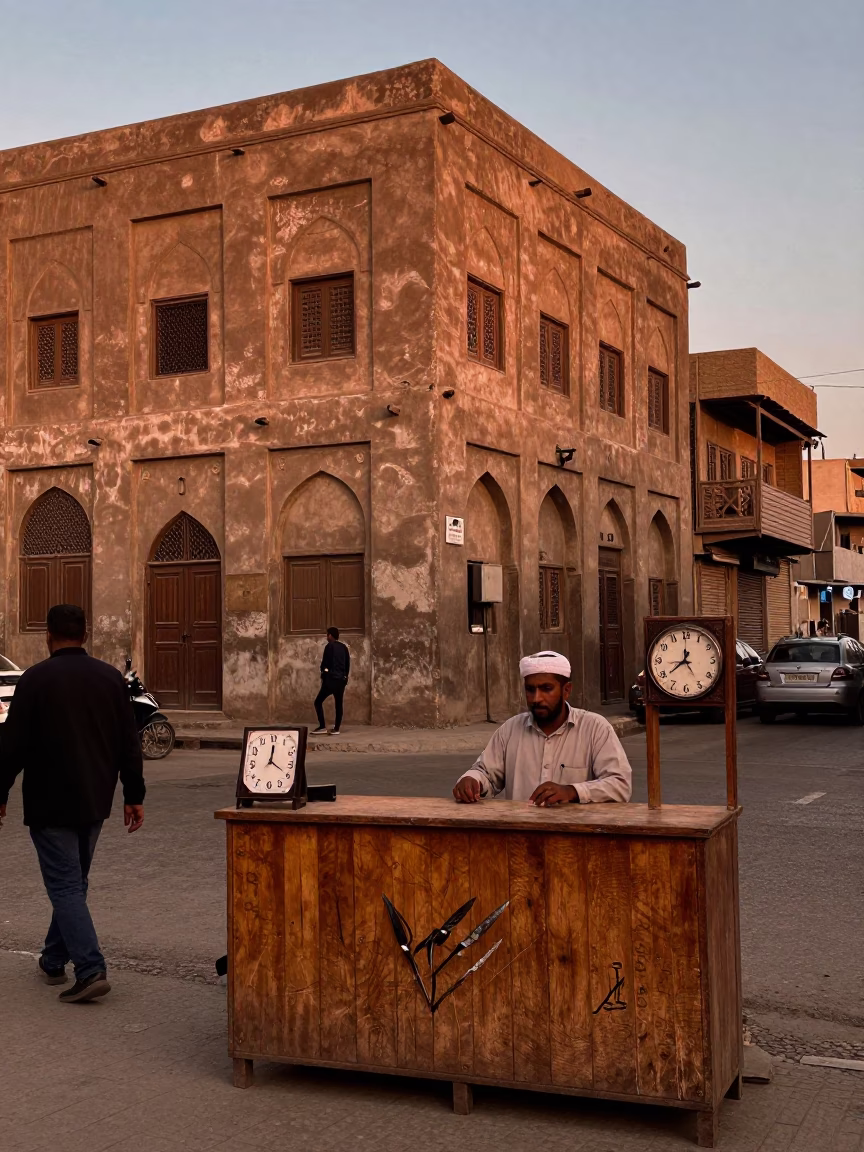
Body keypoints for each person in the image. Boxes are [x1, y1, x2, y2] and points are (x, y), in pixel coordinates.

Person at [0, 604, 145, 1003]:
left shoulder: (34, 680)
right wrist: (134, 796)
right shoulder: (109, 679)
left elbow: (11, 746)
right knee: (73, 882)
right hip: (94, 798)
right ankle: (53, 959)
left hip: (49, 803)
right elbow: (128, 744)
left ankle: (90, 967)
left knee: (65, 884)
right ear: (85, 634)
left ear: (48, 634)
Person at [453, 650, 632, 805]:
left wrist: (572, 791)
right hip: (520, 836)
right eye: (530, 690)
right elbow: (486, 774)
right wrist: (472, 780)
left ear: (566, 690)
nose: (536, 698)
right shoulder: (510, 730)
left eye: (546, 689)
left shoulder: (595, 728)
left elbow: (620, 784)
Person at [312, 626, 350, 735]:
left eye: (327, 635)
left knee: (318, 701)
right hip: (341, 680)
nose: (326, 637)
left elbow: (325, 664)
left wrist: (324, 674)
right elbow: (347, 664)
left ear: (330, 635)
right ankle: (336, 729)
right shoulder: (344, 647)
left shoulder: (329, 647)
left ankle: (322, 726)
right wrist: (345, 677)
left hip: (331, 680)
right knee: (339, 704)